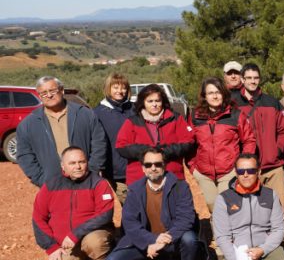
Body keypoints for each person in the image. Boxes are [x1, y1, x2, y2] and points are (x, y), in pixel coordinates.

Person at [105, 148, 206, 260]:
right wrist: (151, 240)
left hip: (173, 240)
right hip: (150, 241)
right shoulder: (135, 190)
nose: (153, 168)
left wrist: (164, 240)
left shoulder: (180, 186)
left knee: (189, 239)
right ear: (143, 168)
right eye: (148, 164)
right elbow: (130, 223)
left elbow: (186, 219)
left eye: (158, 164)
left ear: (164, 165)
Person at [212, 152, 284, 260]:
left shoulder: (270, 195)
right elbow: (222, 237)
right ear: (236, 172)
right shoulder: (224, 199)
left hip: (263, 248)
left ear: (259, 171)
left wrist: (263, 249)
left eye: (251, 170)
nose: (246, 175)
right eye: (241, 171)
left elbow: (279, 229)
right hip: (238, 252)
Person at [32, 146, 114, 260]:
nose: (78, 166)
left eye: (81, 162)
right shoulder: (51, 185)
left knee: (96, 241)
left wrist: (76, 233)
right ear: (63, 165)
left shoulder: (98, 183)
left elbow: (105, 214)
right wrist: (51, 247)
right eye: (72, 163)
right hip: (65, 244)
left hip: (90, 236)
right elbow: (38, 217)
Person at [17, 76, 107, 187]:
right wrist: (41, 178)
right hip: (51, 183)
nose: (49, 95)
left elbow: (99, 143)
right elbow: (24, 154)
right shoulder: (28, 124)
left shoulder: (85, 114)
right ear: (39, 96)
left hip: (85, 180)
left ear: (62, 90)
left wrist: (92, 170)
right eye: (44, 93)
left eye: (52, 91)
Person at [189, 77, 256, 213]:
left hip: (228, 171)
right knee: (211, 206)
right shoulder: (195, 116)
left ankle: (228, 234)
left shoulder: (235, 115)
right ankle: (217, 234)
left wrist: (242, 164)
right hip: (203, 173)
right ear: (204, 96)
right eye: (210, 93)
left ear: (224, 93)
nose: (215, 96)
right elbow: (189, 143)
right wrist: (193, 167)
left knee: (226, 207)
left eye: (218, 92)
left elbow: (249, 140)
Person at [232, 63, 284, 212]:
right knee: (250, 211)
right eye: (249, 78)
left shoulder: (272, 103)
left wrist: (276, 150)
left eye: (256, 78)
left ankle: (283, 236)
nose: (253, 81)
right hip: (247, 169)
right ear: (242, 79)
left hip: (273, 167)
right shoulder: (233, 104)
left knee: (280, 207)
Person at [116, 84, 194, 184]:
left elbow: (188, 141)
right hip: (139, 178)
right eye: (150, 101)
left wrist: (164, 152)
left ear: (163, 101)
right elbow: (121, 146)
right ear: (143, 102)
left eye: (157, 101)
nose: (154, 104)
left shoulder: (175, 118)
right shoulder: (132, 121)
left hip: (172, 175)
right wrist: (148, 152)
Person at [94, 73, 134, 203]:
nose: (120, 91)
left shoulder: (135, 109)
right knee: (129, 205)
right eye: (115, 87)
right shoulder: (98, 113)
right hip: (116, 170)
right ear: (108, 88)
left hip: (138, 166)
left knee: (144, 203)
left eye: (123, 88)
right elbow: (96, 141)